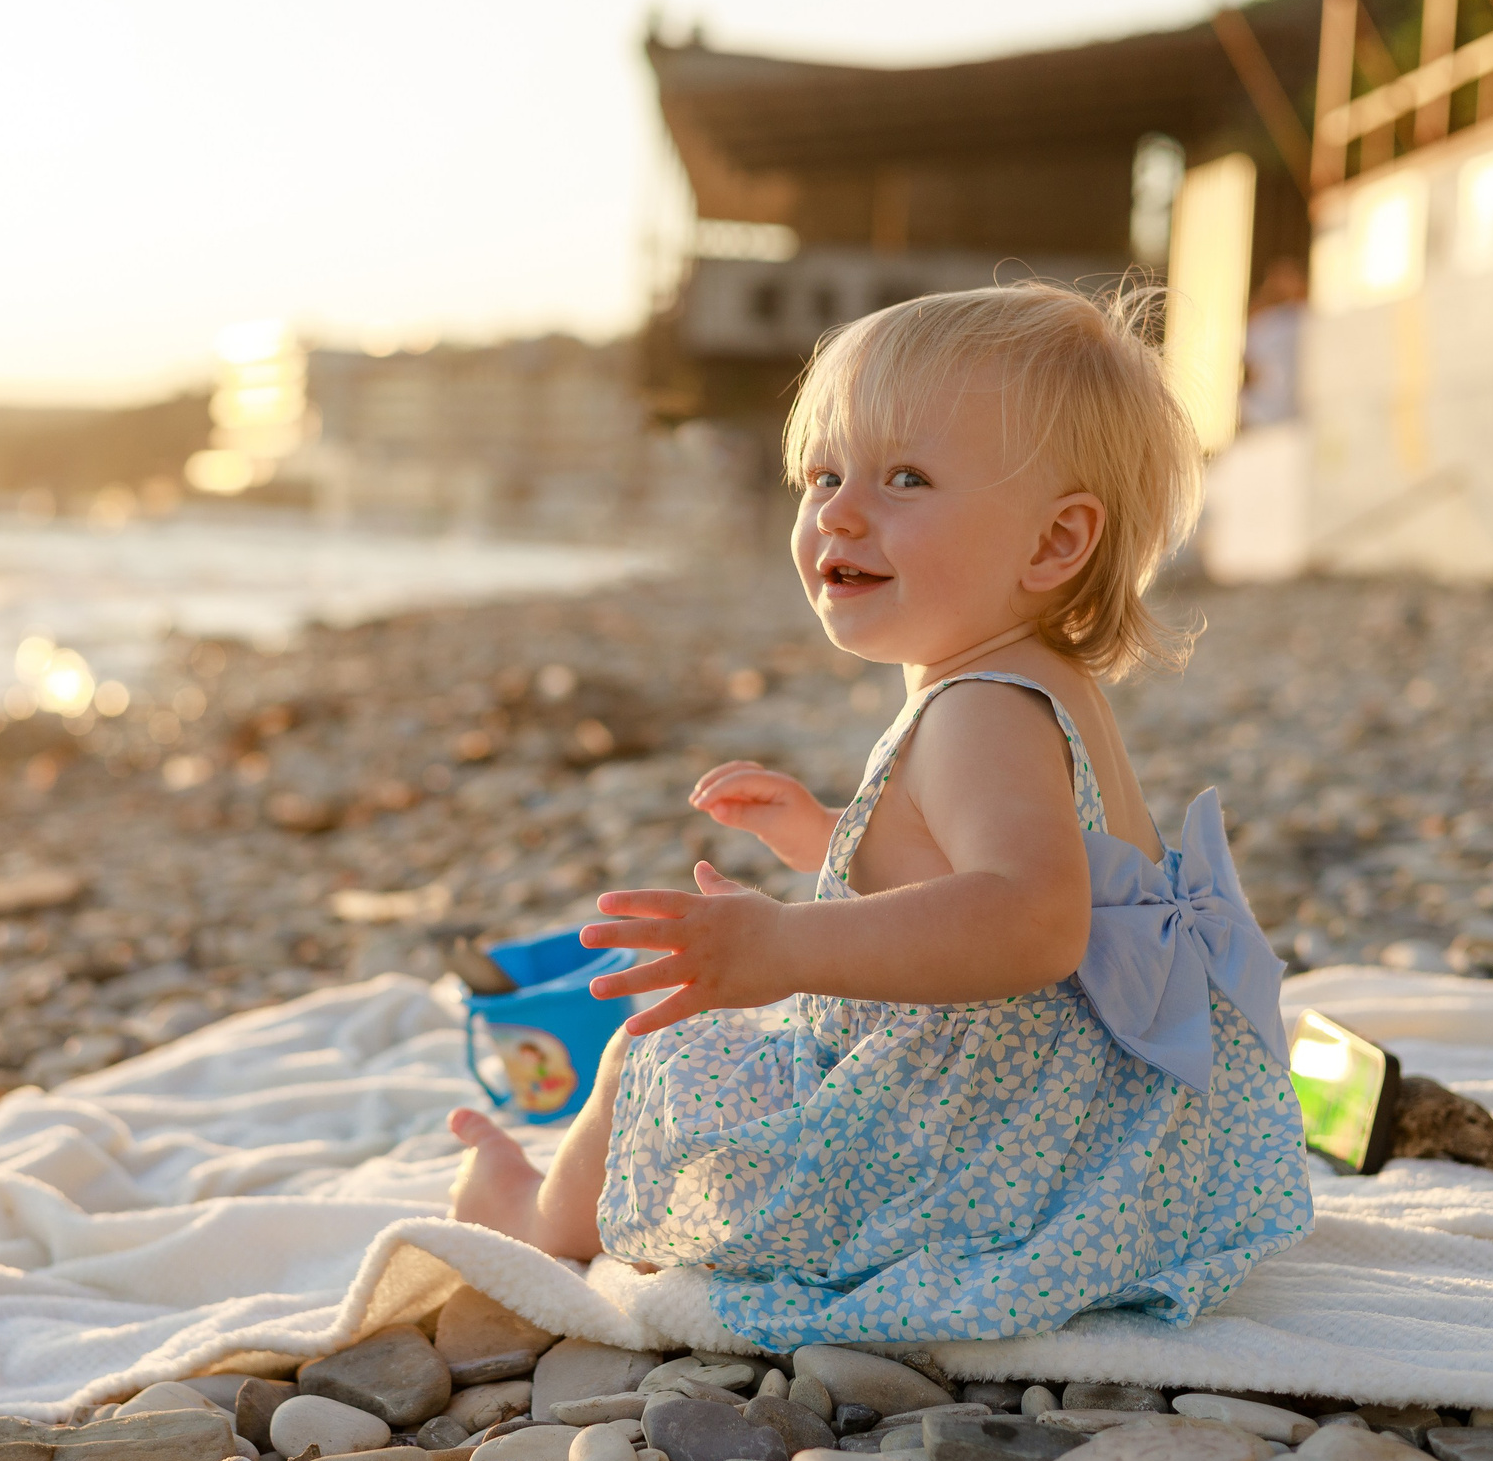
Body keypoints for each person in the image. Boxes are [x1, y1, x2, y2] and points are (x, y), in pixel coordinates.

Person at [446, 281, 1310, 1349]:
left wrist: (784, 944)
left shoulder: (980, 711)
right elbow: (968, 865)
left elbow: (1032, 921)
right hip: (1086, 1132)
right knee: (718, 1041)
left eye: (905, 478)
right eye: (823, 474)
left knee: (655, 1053)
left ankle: (534, 1221)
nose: (839, 513)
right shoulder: (1035, 679)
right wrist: (824, 834)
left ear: (1053, 545)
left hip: (980, 1146)